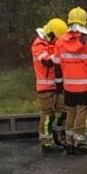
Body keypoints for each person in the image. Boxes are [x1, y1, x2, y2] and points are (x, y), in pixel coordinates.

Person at [53, 7, 87, 155]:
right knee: (81, 114)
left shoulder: (60, 42)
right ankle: (80, 143)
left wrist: (59, 85)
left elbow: (57, 66)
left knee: (70, 113)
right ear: (85, 22)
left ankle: (69, 142)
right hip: (85, 87)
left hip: (68, 86)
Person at [31, 18, 68, 154]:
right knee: (47, 115)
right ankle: (46, 142)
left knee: (64, 111)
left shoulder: (52, 43)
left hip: (57, 85)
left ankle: (57, 137)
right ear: (51, 35)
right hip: (45, 88)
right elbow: (47, 60)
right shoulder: (38, 44)